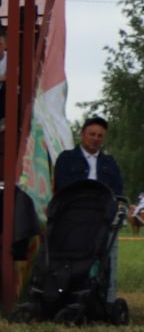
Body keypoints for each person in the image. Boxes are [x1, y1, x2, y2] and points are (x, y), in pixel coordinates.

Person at [53, 116, 124, 306]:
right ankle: (64, 295)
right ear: (82, 134)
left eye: (100, 136)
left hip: (103, 217)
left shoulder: (109, 163)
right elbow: (63, 188)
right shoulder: (67, 159)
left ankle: (108, 301)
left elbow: (118, 191)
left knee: (109, 257)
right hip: (74, 217)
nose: (95, 138)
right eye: (92, 134)